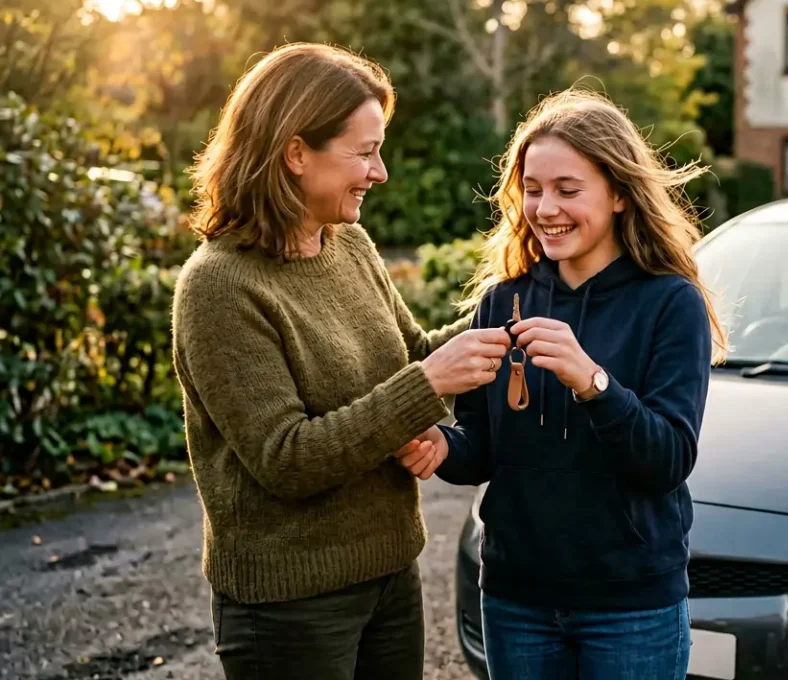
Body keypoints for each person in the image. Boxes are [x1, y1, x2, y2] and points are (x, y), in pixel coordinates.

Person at [170, 42, 510, 679]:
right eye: (365, 151)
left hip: (390, 575)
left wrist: (512, 310)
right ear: (296, 152)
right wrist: (428, 383)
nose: (379, 173)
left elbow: (407, 357)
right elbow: (285, 458)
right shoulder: (220, 287)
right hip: (290, 608)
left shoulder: (347, 242)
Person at [416, 88, 728, 678]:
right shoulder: (503, 301)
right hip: (515, 598)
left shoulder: (670, 303)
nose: (545, 208)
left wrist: (594, 382)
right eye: (532, 190)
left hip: (630, 605)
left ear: (616, 193)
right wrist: (441, 448)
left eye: (567, 189)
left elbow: (667, 459)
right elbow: (481, 445)